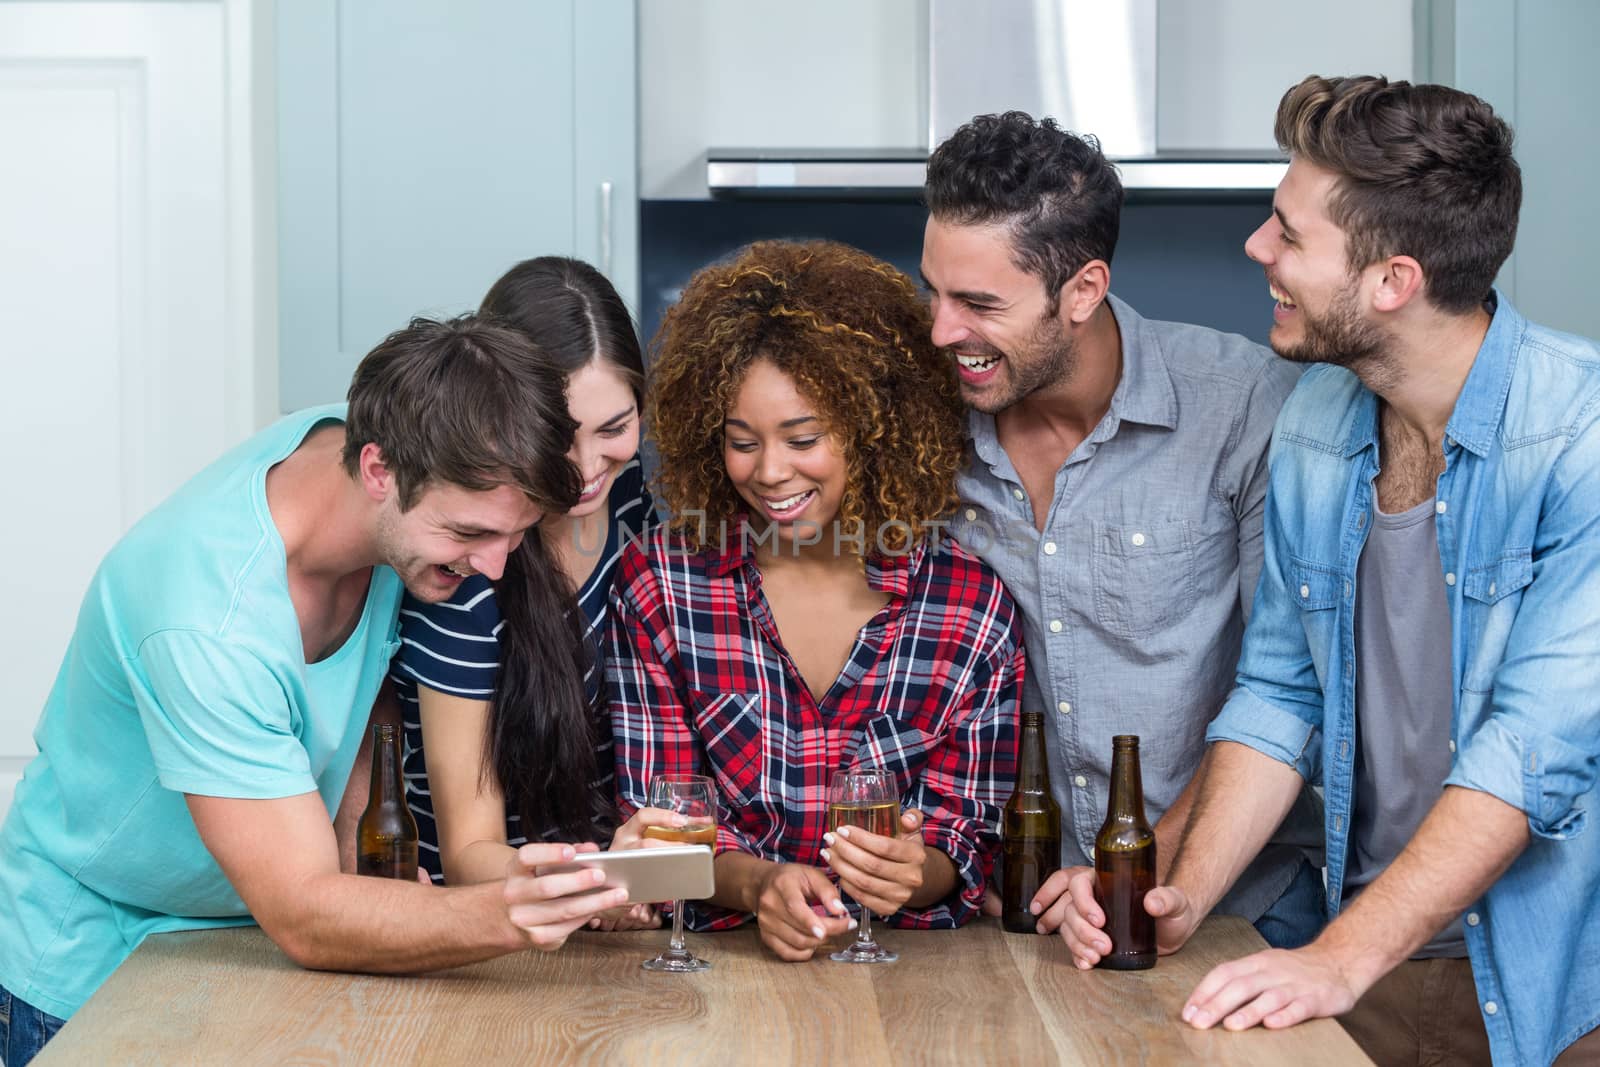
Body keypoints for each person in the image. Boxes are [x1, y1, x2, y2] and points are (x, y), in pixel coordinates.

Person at [1083, 76, 1599, 1067]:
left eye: (1288, 235)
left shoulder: (1575, 432)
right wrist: (1184, 894)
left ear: (1391, 281)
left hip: (1550, 979)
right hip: (1368, 956)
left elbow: (1530, 752)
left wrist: (1335, 960)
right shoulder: (1319, 418)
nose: (1257, 250)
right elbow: (1279, 692)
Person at [0, 317, 654, 1066]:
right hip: (98, 961)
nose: (496, 568)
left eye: (514, 534)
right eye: (470, 533)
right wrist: (510, 910)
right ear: (378, 471)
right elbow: (307, 913)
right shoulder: (207, 622)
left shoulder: (381, 452)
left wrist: (368, 851)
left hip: (244, 940)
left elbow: (360, 683)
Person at [918, 111, 1323, 949]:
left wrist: (1136, 870)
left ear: (1083, 290)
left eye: (979, 303)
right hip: (1015, 915)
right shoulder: (925, 428)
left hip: (1234, 912)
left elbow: (1287, 693)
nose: (942, 330)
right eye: (935, 291)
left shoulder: (1245, 407)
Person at [609, 239, 1025, 961]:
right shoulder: (662, 586)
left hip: (911, 987)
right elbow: (661, 830)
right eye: (742, 442)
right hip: (717, 980)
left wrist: (913, 871)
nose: (770, 472)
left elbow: (964, 838)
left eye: (802, 438)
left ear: (872, 430)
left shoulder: (968, 608)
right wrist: (760, 884)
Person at [389, 259, 656, 922]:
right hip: (493, 921)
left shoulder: (643, 519)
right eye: (562, 439)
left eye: (615, 428)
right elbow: (467, 851)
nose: (591, 470)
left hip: (602, 911)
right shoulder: (471, 570)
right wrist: (589, 883)